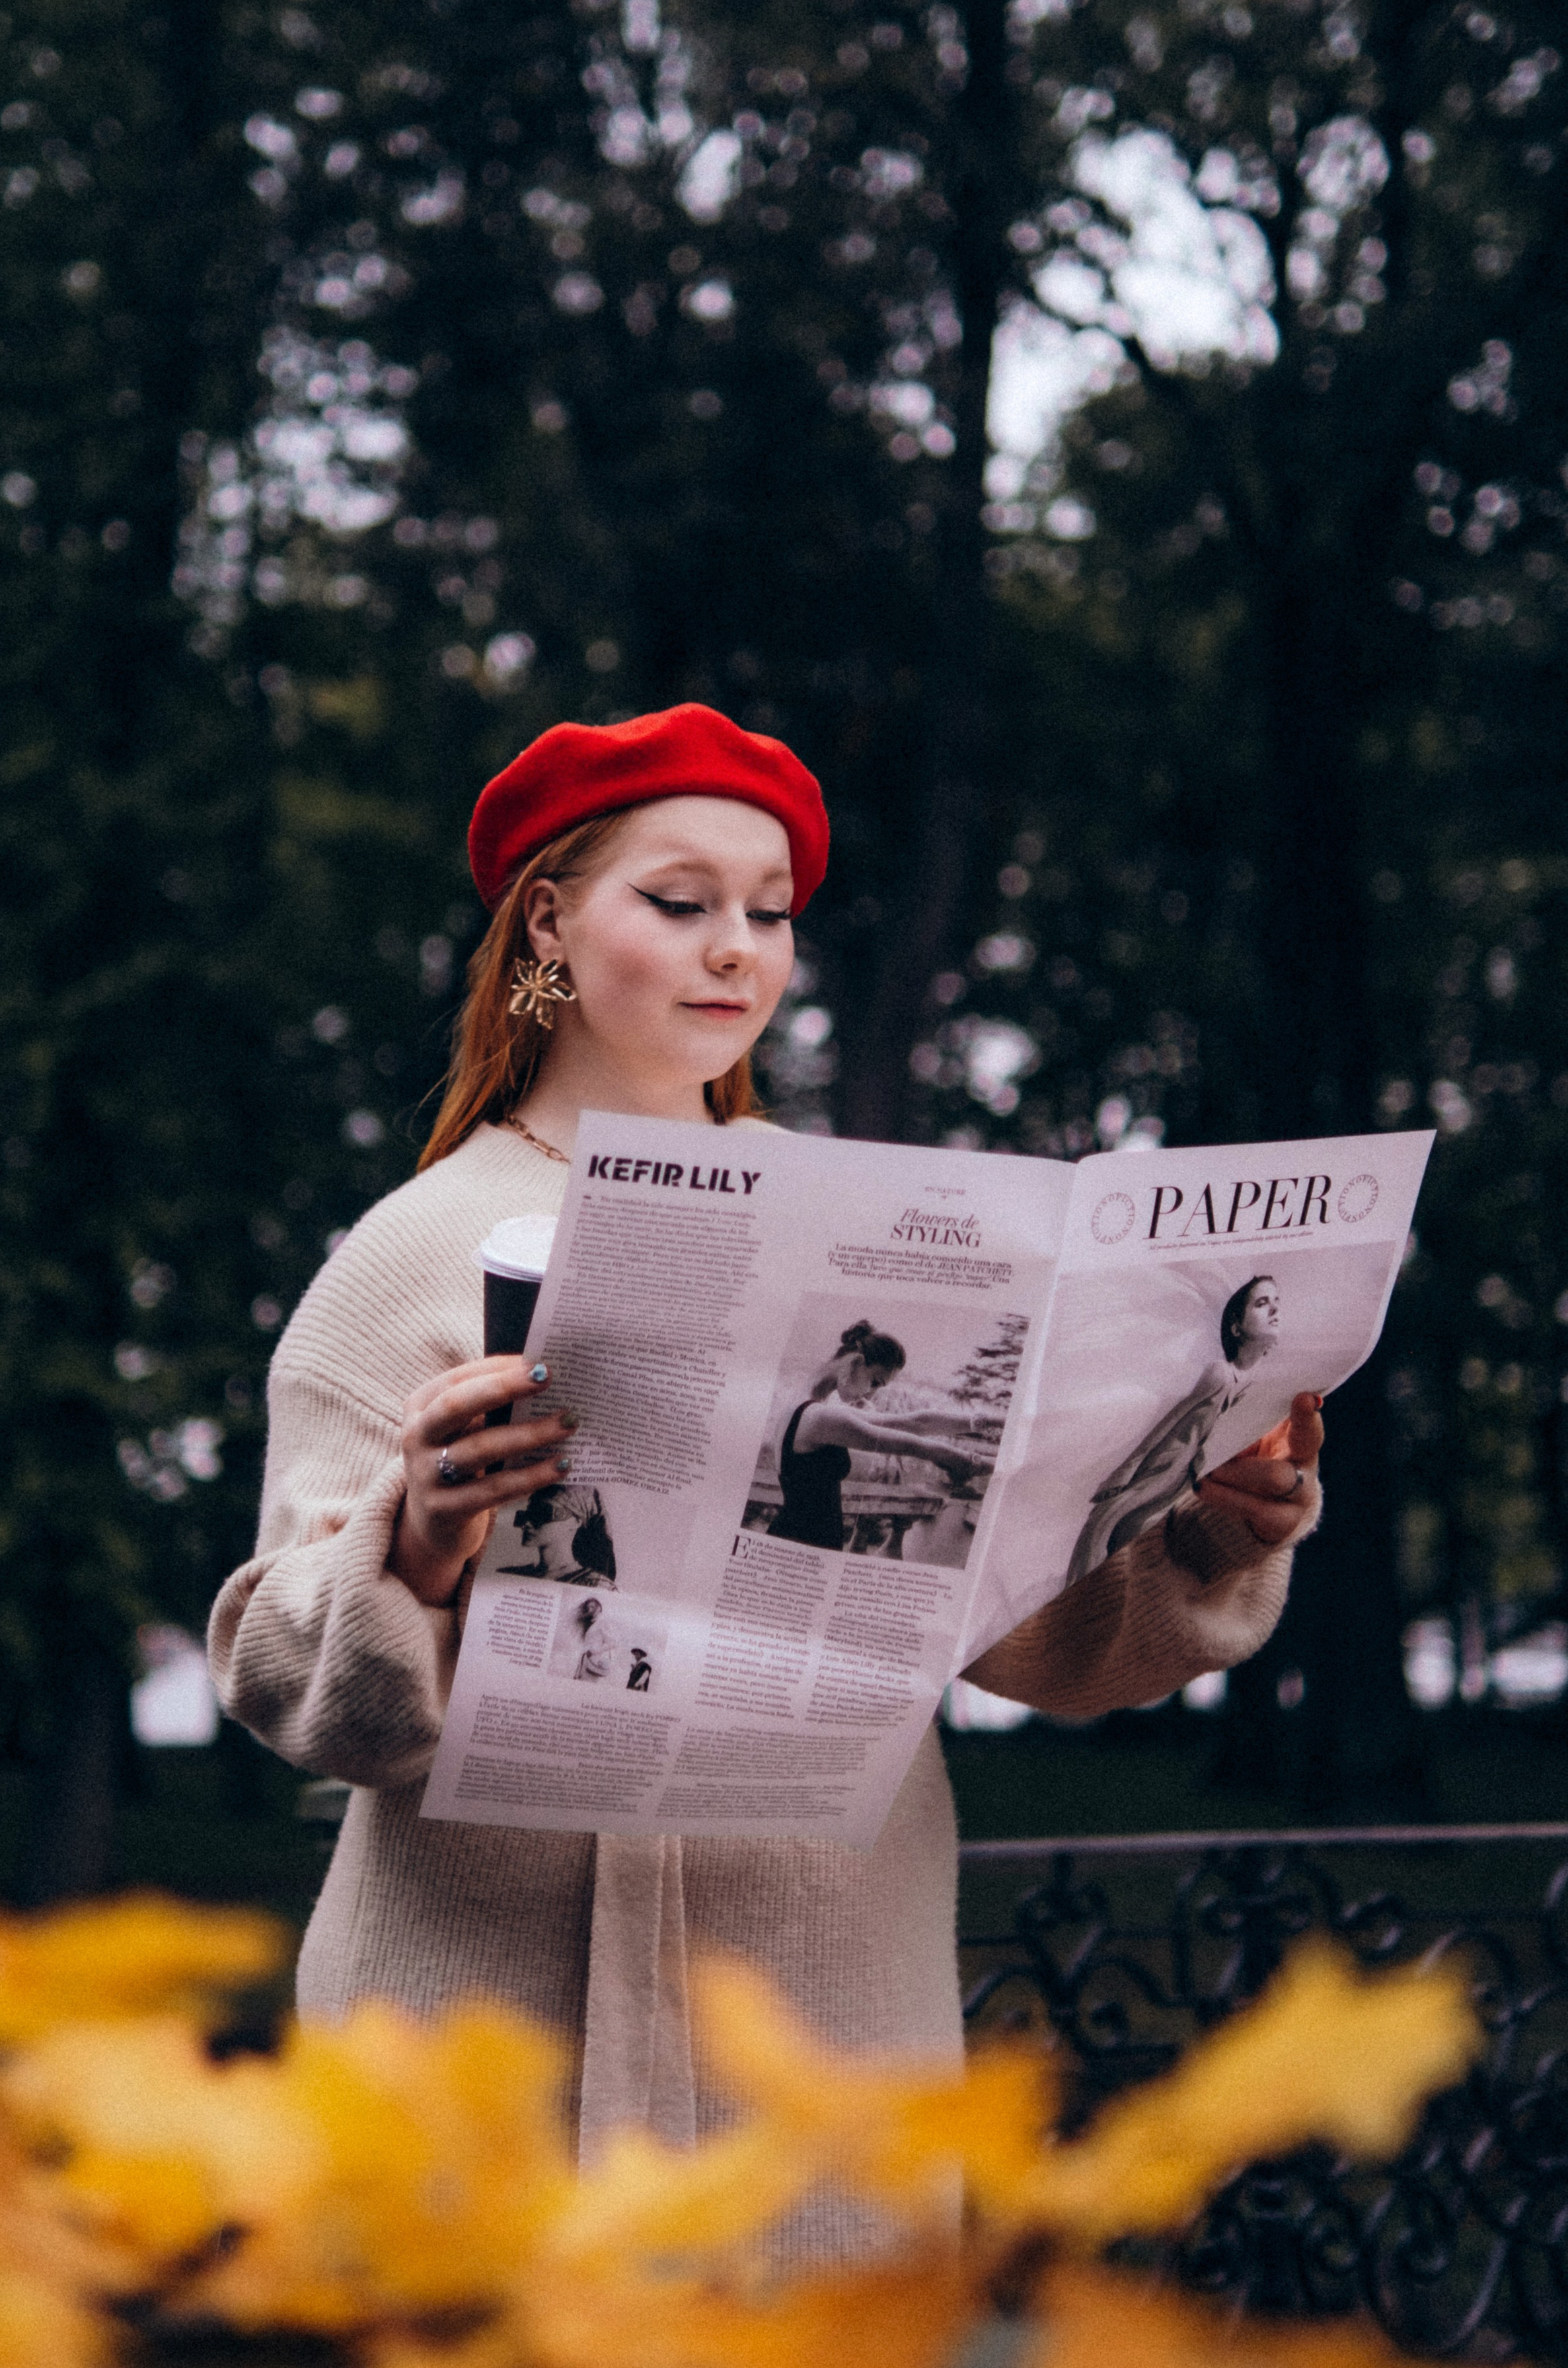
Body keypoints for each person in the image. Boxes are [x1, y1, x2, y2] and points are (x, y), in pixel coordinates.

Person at [207, 702, 1324, 2263]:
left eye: (770, 910)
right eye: (679, 901)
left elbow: (1028, 1636)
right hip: (476, 2032)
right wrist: (424, 1539)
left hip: (825, 2021)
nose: (736, 948)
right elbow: (286, 1681)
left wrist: (1199, 1527)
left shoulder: (883, 1228)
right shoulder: (410, 1253)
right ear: (547, 921)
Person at [1064, 1273, 1283, 1585]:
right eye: (1262, 1303)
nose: (1274, 1309)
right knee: (1103, 1523)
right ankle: (1077, 1592)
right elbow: (1170, 1422)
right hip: (1161, 1467)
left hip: (1185, 1477)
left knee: (1133, 1537)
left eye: (1276, 1301)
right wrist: (1126, 1471)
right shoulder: (1220, 1374)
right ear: (1236, 1328)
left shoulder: (1255, 1385)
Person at [767, 1319, 992, 1551]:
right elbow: (911, 1445)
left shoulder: (811, 1407)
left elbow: (913, 1422)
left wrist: (985, 1423)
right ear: (856, 1363)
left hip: (805, 1537)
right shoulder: (818, 1417)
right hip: (801, 1540)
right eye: (874, 1382)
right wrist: (973, 1462)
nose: (870, 1394)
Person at [502, 1484, 618, 1587]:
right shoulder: (509, 1575)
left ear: (576, 1521)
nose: (527, 1523)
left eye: (541, 1513)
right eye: (527, 1515)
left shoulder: (598, 1586)